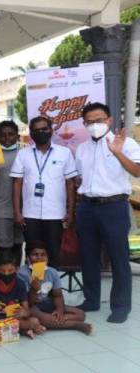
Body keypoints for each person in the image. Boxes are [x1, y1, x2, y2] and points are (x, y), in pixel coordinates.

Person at [75, 102, 140, 323]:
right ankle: (91, 300)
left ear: (109, 120)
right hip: (86, 207)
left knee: (118, 258)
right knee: (88, 256)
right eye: (90, 121)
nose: (95, 125)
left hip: (113, 207)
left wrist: (117, 153)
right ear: (85, 124)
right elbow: (80, 179)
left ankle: (120, 307)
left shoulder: (126, 143)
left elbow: (137, 171)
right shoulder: (82, 149)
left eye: (100, 120)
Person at [11, 116, 77, 267]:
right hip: (30, 214)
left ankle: (51, 288)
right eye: (36, 130)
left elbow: (70, 184)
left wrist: (70, 212)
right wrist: (17, 213)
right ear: (31, 133)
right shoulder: (23, 154)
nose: (40, 132)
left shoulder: (64, 153)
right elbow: (17, 183)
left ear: (51, 130)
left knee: (53, 254)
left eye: (44, 129)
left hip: (55, 214)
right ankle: (34, 288)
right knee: (32, 254)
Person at [0, 251, 45, 347]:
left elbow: (27, 310)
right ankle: (14, 331)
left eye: (10, 271)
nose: (6, 274)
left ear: (17, 269)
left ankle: (7, 330)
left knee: (35, 322)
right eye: (2, 271)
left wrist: (24, 312)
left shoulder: (20, 283)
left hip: (11, 318)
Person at [18, 242, 92, 334]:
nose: (39, 258)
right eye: (35, 255)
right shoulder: (22, 273)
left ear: (47, 258)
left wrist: (59, 310)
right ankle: (75, 325)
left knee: (80, 314)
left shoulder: (52, 272)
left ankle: (52, 321)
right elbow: (27, 303)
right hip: (32, 305)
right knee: (42, 317)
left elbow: (58, 295)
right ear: (28, 258)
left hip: (46, 302)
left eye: (43, 255)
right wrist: (34, 289)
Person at [0, 120, 23, 264]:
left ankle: (17, 280)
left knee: (18, 244)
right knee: (4, 247)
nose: (7, 138)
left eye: (11, 134)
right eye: (3, 135)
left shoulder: (24, 153)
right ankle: (2, 278)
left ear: (18, 136)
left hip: (23, 209)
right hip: (1, 208)